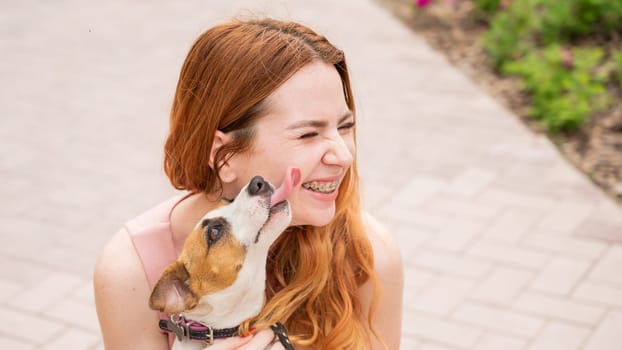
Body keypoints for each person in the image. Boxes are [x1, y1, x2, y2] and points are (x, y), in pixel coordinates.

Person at [94, 17, 403, 349]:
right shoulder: (133, 271)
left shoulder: (365, 253)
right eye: (308, 133)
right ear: (225, 156)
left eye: (344, 127)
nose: (343, 156)